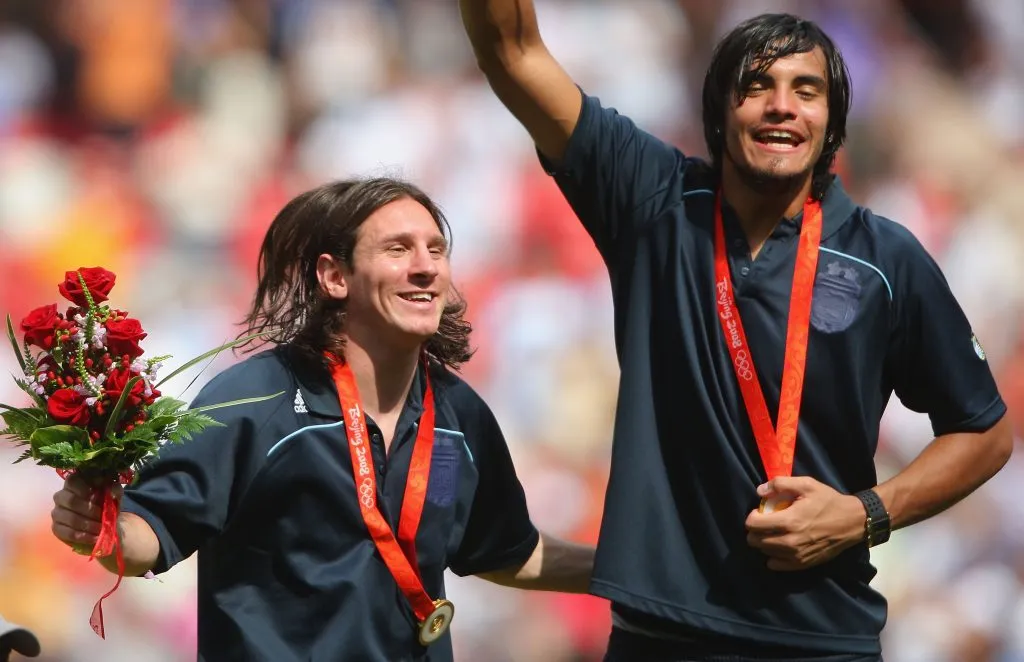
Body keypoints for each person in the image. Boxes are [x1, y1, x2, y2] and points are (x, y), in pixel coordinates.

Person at [460, 5, 1012, 661]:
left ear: (833, 121)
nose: (783, 107)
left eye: (807, 92)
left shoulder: (885, 259)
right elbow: (512, 52)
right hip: (660, 639)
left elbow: (984, 431)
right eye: (757, 87)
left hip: (822, 638)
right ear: (720, 110)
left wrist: (862, 514)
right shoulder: (654, 202)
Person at [49, 177, 595, 661]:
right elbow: (151, 533)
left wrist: (640, 570)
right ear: (335, 277)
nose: (426, 266)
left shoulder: (459, 415)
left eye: (436, 248)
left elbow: (506, 551)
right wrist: (98, 528)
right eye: (398, 249)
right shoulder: (254, 398)